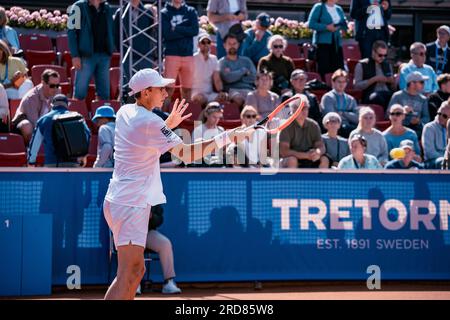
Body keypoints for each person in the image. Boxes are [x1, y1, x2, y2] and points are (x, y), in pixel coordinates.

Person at [102, 68, 251, 300]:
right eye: (160, 88)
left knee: (136, 271)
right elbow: (186, 155)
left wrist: (166, 124)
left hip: (122, 200)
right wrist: (226, 137)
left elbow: (144, 137)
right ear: (145, 92)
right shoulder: (150, 121)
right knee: (127, 273)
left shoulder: (125, 111)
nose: (166, 92)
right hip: (130, 203)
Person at [68, 0, 115, 101]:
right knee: (79, 94)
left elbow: (111, 30)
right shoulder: (77, 6)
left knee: (104, 95)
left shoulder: (107, 8)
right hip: (85, 57)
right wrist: (75, 55)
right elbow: (71, 32)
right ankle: (76, 115)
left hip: (104, 56)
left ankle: (103, 116)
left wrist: (111, 49)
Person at [27, 94, 91, 167]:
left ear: (52, 105)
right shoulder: (77, 117)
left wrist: (31, 161)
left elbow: (35, 143)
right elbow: (87, 135)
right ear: (67, 105)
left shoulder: (43, 120)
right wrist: (83, 156)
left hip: (51, 164)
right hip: (73, 164)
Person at [161, 0, 199, 101]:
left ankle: (186, 115)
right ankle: (164, 115)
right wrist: (186, 30)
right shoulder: (164, 13)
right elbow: (167, 34)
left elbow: (195, 30)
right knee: (168, 89)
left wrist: (176, 28)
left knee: (187, 90)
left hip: (188, 55)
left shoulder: (191, 11)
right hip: (171, 54)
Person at [12, 69, 61, 145]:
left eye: (57, 85)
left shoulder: (57, 91)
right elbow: (35, 124)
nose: (55, 89)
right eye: (52, 86)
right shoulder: (32, 98)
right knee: (27, 126)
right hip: (24, 124)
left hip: (43, 123)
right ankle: (32, 150)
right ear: (43, 83)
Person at [113, 0, 157, 85]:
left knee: (146, 88)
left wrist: (154, 56)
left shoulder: (148, 13)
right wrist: (123, 51)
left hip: (145, 56)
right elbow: (116, 35)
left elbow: (152, 35)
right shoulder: (120, 12)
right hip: (127, 57)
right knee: (128, 89)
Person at [279, 95, 328, 168]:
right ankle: (292, 180)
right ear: (293, 109)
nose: (304, 111)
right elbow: (284, 152)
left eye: (306, 108)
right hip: (291, 158)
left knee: (324, 159)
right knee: (292, 160)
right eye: (302, 108)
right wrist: (305, 155)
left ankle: (320, 180)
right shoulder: (286, 126)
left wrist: (317, 152)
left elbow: (321, 145)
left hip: (309, 157)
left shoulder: (313, 125)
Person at [145, 205, 181, 294]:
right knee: (133, 244)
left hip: (148, 233)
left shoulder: (153, 196)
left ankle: (168, 282)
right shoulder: (128, 194)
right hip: (129, 233)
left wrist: (152, 216)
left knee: (165, 243)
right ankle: (133, 283)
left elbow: (159, 219)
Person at [307, 0, 347, 79]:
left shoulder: (339, 8)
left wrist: (343, 28)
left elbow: (343, 23)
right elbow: (311, 24)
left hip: (336, 44)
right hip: (322, 44)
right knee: (324, 69)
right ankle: (324, 88)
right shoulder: (319, 7)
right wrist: (326, 27)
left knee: (338, 69)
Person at [353, 40, 395, 109]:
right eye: (380, 55)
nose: (383, 58)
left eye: (385, 55)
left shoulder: (387, 65)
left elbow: (393, 87)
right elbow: (357, 86)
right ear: (373, 52)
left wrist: (392, 81)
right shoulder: (362, 65)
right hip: (371, 94)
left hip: (387, 92)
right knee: (377, 97)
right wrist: (374, 79)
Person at [388, 71, 430, 136]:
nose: (424, 84)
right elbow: (388, 114)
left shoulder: (423, 99)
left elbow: (426, 118)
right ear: (412, 84)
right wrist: (403, 113)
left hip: (418, 129)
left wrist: (418, 121)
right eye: (421, 82)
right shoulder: (397, 96)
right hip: (400, 127)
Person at [219, 33, 256, 107]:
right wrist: (244, 71)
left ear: (238, 45)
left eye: (234, 43)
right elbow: (228, 79)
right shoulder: (222, 62)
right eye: (229, 44)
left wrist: (234, 75)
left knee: (254, 98)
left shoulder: (246, 61)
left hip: (249, 89)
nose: (232, 46)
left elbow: (253, 78)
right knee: (239, 99)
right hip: (232, 90)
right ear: (224, 45)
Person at [320, 69, 359, 138]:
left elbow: (357, 118)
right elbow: (332, 117)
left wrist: (343, 113)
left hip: (350, 126)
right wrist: (349, 115)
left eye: (344, 82)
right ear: (333, 82)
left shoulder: (351, 99)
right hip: (336, 128)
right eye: (339, 82)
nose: (342, 84)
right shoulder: (328, 97)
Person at [191, 33, 225, 107]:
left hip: (209, 94)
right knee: (201, 99)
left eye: (208, 42)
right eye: (203, 42)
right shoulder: (193, 58)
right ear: (198, 45)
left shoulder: (214, 58)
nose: (206, 44)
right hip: (195, 93)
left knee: (223, 98)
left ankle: (207, 113)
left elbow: (217, 79)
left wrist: (221, 92)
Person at [192, 102, 225, 166]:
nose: (216, 120)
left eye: (218, 118)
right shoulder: (198, 130)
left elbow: (223, 150)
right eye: (214, 117)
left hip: (218, 164)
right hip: (202, 164)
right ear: (206, 115)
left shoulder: (221, 130)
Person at [422, 101, 450, 169]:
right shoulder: (429, 128)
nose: (440, 117)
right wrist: (445, 158)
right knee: (443, 162)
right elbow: (430, 153)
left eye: (444, 116)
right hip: (432, 162)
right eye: (439, 113)